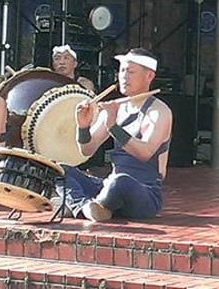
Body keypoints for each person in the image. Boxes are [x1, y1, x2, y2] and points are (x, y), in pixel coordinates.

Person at [54, 48, 172, 222]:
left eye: (131, 71)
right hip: (109, 185)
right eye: (122, 70)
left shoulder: (159, 111)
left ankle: (82, 205)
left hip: (143, 191)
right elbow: (87, 150)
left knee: (120, 182)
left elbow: (145, 153)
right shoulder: (116, 108)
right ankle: (87, 207)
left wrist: (113, 125)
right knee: (58, 169)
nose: (124, 76)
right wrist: (83, 126)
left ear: (149, 76)